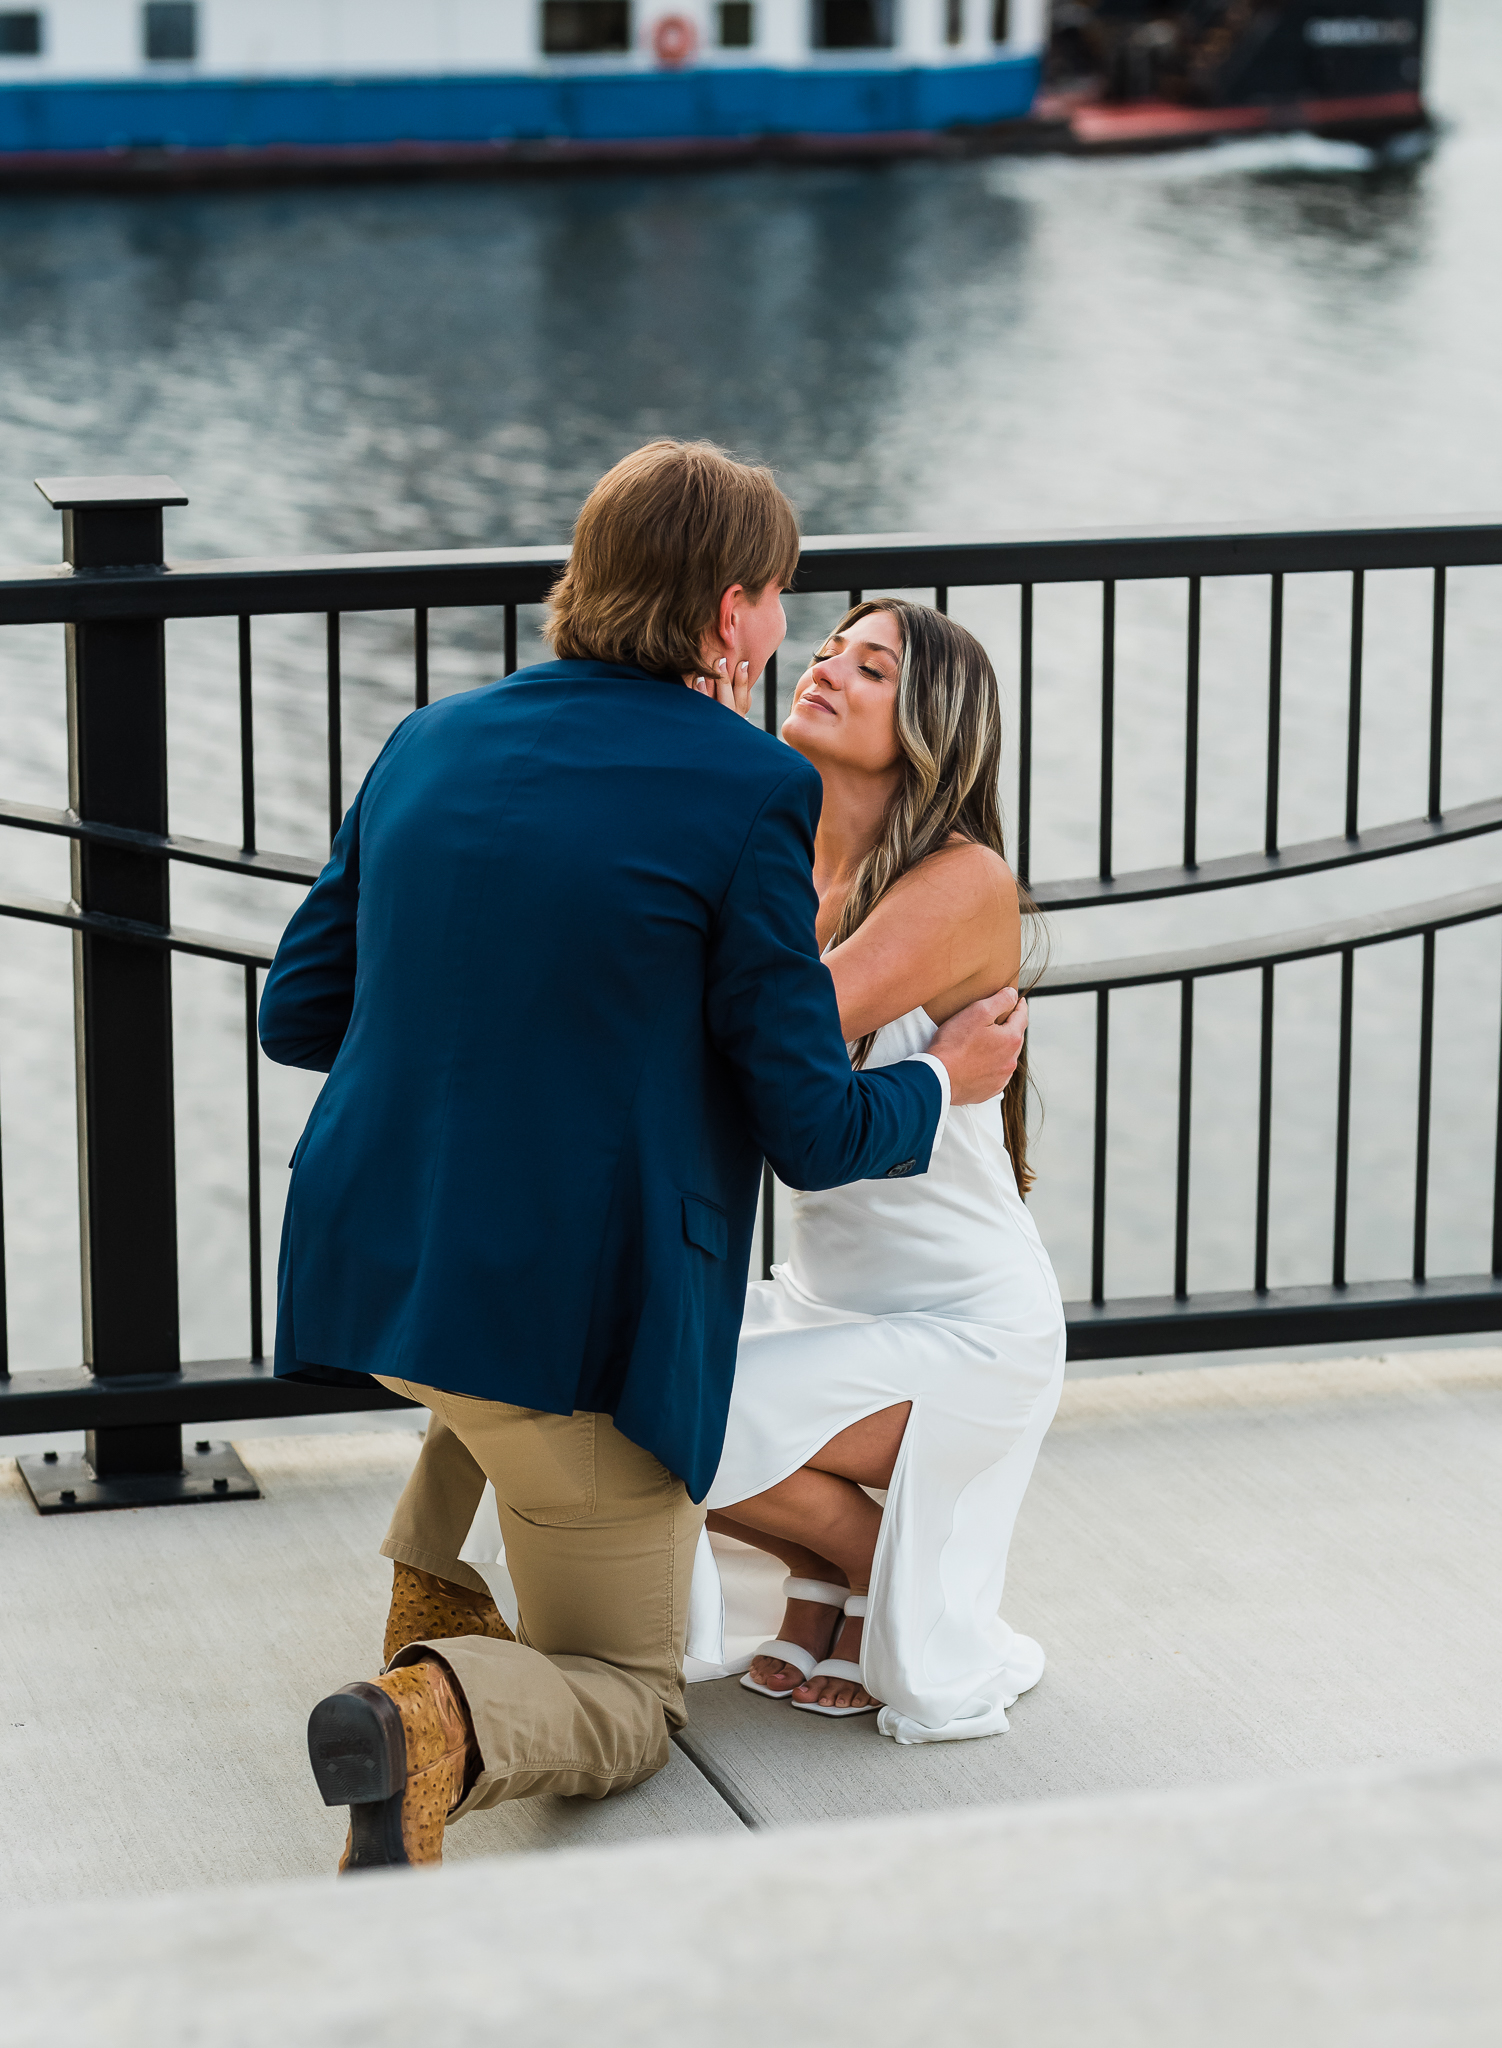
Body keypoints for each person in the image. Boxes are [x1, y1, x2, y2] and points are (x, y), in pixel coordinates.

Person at [259, 440, 1028, 1869]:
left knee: (482, 1378)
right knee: (624, 1700)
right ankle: (426, 1716)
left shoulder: (431, 735)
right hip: (563, 1329)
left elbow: (295, 1010)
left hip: (375, 1268)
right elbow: (809, 1126)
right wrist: (940, 1081)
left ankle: (429, 1594)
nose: (788, 637)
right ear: (734, 616)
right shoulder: (745, 793)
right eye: (784, 604)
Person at [700, 600, 1066, 1742]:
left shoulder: (965, 880)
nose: (824, 671)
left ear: (925, 723)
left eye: (870, 667)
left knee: (685, 1420)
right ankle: (851, 1564)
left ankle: (870, 1565)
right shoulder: (776, 848)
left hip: (964, 1322)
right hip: (820, 1298)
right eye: (821, 652)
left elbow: (782, 1025)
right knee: (611, 1385)